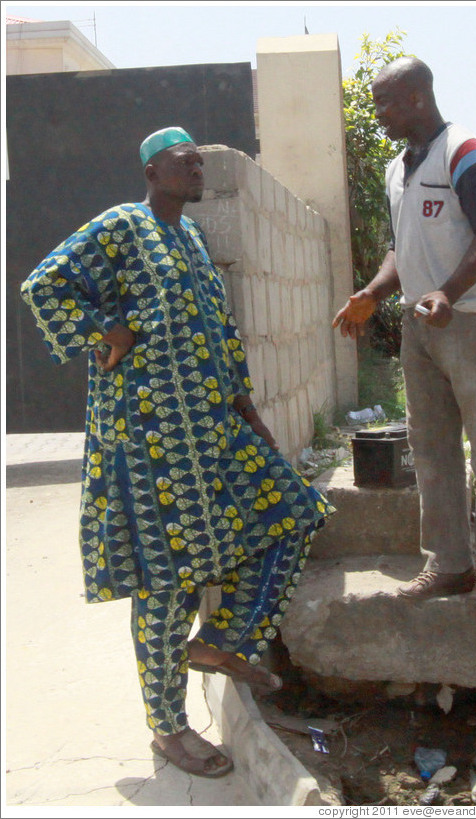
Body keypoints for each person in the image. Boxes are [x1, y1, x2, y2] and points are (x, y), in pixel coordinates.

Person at [21, 126, 335, 778]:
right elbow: (44, 283)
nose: (196, 168)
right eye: (182, 161)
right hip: (146, 447)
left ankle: (220, 643)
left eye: (198, 160)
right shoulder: (120, 227)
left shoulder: (192, 239)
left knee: (294, 511)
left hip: (214, 434)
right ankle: (168, 728)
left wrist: (249, 412)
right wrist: (103, 331)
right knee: (167, 588)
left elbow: (222, 337)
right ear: (151, 170)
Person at [333, 58, 476, 605]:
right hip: (423, 325)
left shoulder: (466, 152)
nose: (378, 115)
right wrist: (373, 293)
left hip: (473, 319)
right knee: (432, 448)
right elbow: (402, 247)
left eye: (384, 103)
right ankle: (449, 564)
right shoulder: (398, 167)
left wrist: (449, 292)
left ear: (417, 98)